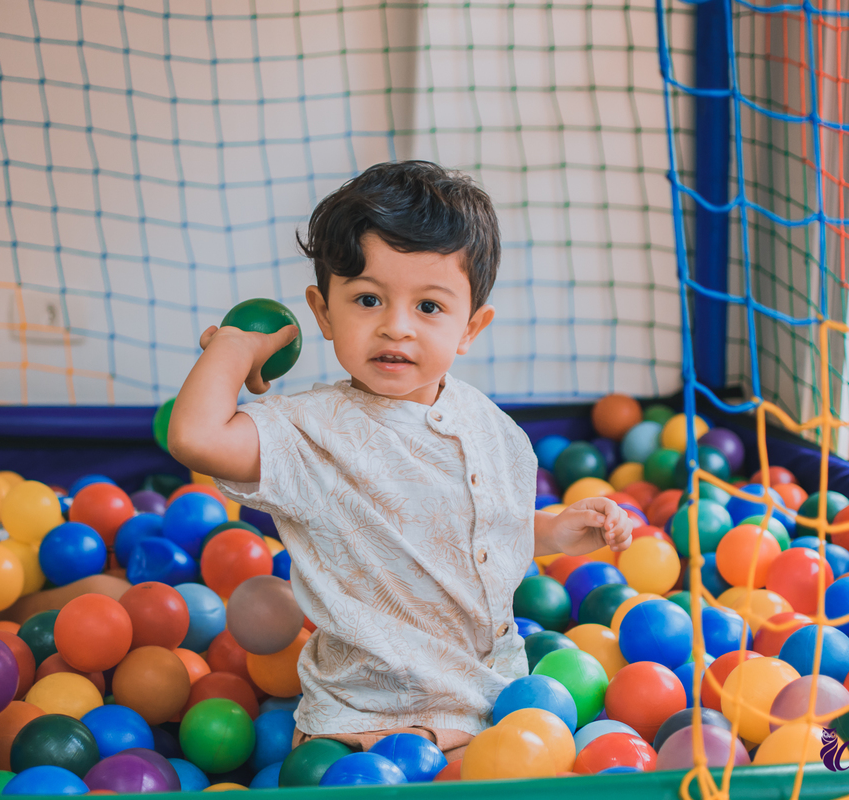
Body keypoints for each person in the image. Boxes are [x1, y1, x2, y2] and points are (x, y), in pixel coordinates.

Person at [168, 160, 635, 762]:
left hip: (489, 702)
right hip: (363, 717)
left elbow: (470, 526)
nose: (395, 327)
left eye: (429, 308)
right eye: (368, 299)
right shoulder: (309, 433)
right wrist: (234, 347)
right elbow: (196, 437)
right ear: (323, 312)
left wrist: (548, 530)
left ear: (471, 327)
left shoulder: (489, 425)